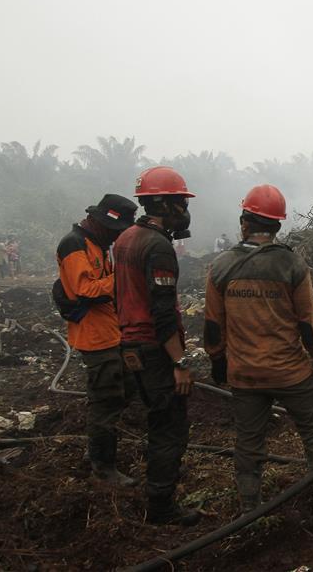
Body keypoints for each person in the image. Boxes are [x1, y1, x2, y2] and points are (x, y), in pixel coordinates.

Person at [204, 184, 313, 517]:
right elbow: (309, 323)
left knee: (248, 441)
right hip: (290, 371)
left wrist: (218, 362)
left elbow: (213, 325)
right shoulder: (291, 264)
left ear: (244, 222)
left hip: (244, 374)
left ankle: (250, 507)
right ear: (277, 226)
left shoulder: (220, 267)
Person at [113, 166, 200, 526]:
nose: (184, 209)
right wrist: (179, 361)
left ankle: (157, 494)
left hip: (130, 345)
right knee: (169, 426)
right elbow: (162, 310)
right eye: (180, 201)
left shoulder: (125, 238)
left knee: (155, 418)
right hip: (154, 347)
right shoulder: (158, 246)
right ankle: (162, 509)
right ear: (163, 203)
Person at [56, 194, 139, 486]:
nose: (117, 237)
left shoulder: (98, 246)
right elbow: (84, 290)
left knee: (126, 388)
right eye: (114, 231)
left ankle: (100, 447)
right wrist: (124, 279)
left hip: (111, 331)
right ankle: (103, 469)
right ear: (98, 222)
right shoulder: (74, 244)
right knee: (105, 401)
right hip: (94, 337)